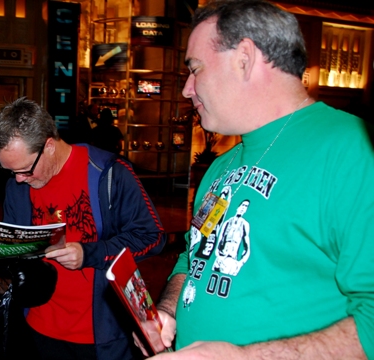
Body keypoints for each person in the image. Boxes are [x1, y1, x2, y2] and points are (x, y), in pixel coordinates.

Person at [136, 0, 374, 358]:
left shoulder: (352, 149)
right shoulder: (222, 166)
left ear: (244, 58)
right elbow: (194, 257)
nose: (187, 89)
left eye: (196, 69)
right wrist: (167, 312)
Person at [0, 97, 166, 360]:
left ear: (48, 146)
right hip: (38, 326)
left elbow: (152, 237)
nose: (19, 179)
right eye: (11, 171)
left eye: (24, 170)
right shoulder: (18, 187)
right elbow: (16, 250)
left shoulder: (109, 173)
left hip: (103, 334)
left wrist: (89, 253)